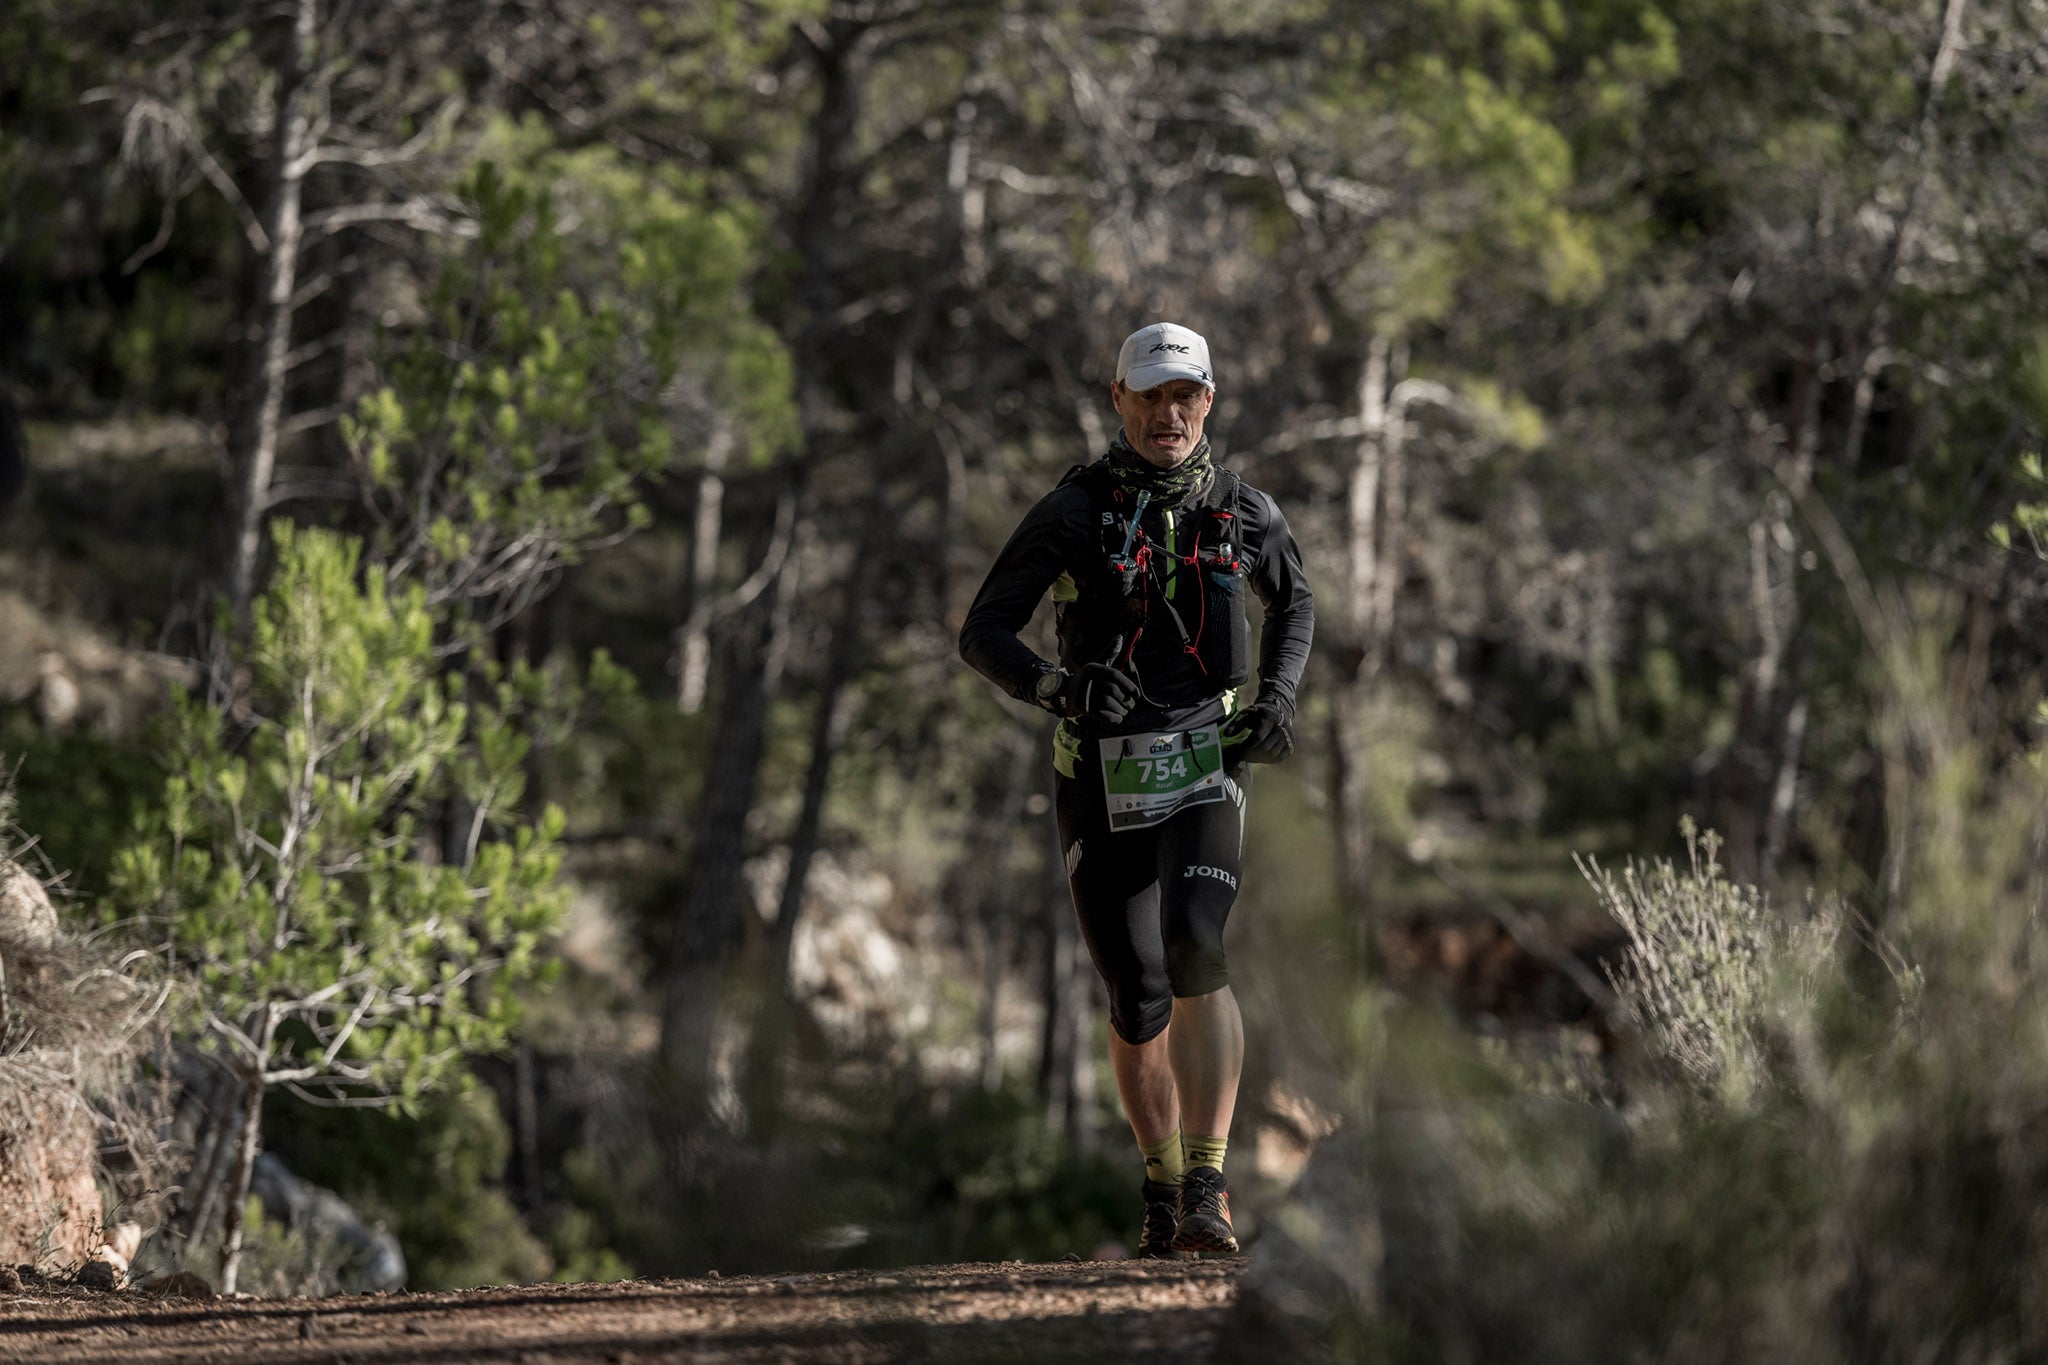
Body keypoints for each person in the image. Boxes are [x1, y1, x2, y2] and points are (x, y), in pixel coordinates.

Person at [959, 321, 1314, 1256]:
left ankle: (1208, 1182)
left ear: (1210, 399)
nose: (1170, 412)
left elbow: (1296, 601)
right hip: (1100, 770)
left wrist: (1276, 695)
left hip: (1206, 763)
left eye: (1185, 393)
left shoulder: (1244, 510)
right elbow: (984, 628)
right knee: (1135, 988)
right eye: (1149, 394)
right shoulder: (1075, 509)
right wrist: (1057, 685)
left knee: (1198, 941)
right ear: (1118, 399)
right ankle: (1159, 1183)